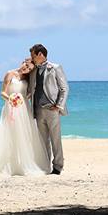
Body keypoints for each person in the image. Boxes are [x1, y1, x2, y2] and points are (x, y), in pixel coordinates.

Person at [0, 58, 51, 176]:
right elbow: (3, 92)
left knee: (25, 134)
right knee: (11, 134)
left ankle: (24, 163)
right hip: (11, 107)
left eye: (30, 69)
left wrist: (25, 97)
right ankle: (12, 164)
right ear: (23, 62)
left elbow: (29, 93)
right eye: (27, 65)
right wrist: (11, 98)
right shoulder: (10, 74)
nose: (26, 69)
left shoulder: (27, 78)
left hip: (24, 108)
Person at [27, 43, 69, 175]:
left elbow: (64, 88)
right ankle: (45, 166)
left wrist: (58, 105)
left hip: (52, 109)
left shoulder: (55, 68)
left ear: (40, 54)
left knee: (55, 139)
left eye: (33, 55)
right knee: (43, 140)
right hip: (38, 110)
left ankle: (57, 167)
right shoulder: (34, 70)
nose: (31, 58)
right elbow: (31, 89)